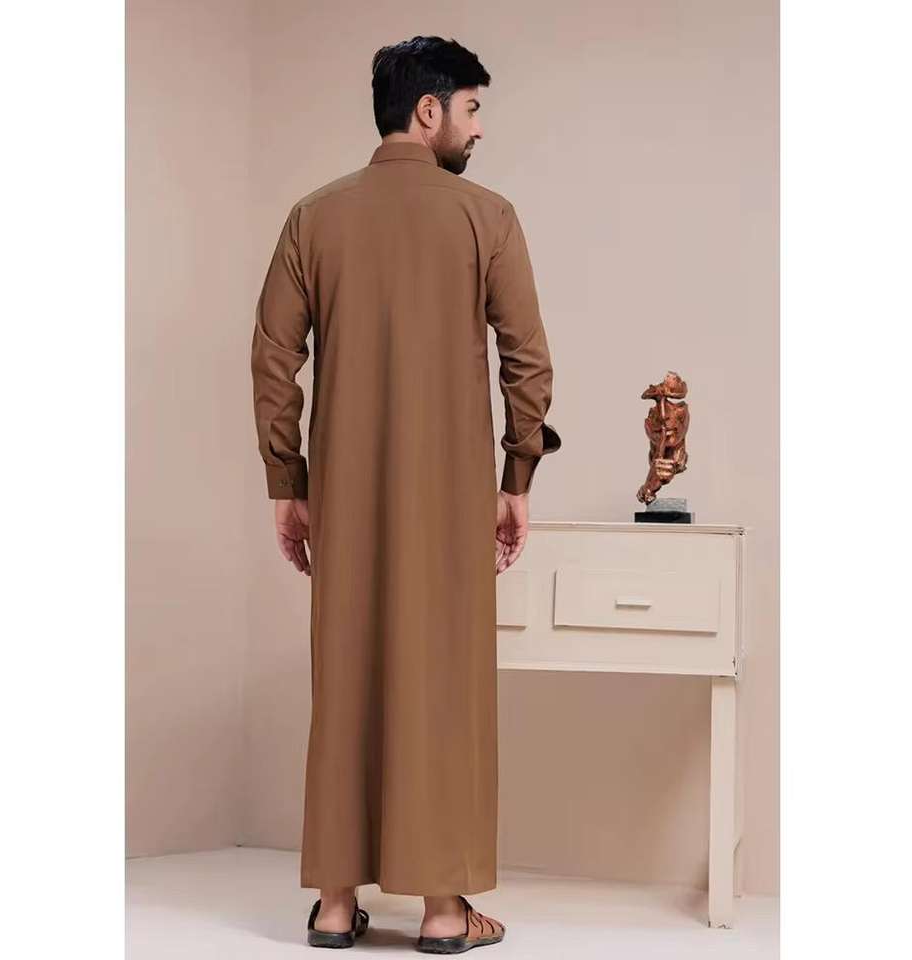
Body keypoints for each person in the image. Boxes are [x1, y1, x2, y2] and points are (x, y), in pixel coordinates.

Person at [250, 35, 560, 953]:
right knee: (444, 688)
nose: (477, 130)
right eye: (471, 109)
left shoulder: (313, 218)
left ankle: (335, 905)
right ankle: (442, 911)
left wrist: (287, 485)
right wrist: (516, 477)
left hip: (344, 498)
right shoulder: (486, 217)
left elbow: (273, 359)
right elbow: (527, 359)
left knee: (345, 678)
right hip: (451, 497)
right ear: (429, 111)